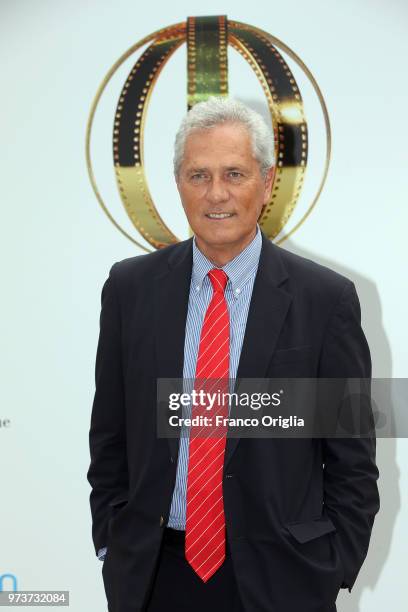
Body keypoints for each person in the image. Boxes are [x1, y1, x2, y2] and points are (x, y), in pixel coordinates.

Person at [87, 96, 380, 612]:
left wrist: (330, 567)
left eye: (234, 173)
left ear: (266, 183)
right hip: (155, 578)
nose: (215, 193)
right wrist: (114, 542)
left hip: (282, 581)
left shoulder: (326, 301)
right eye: (197, 175)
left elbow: (353, 462)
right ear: (177, 182)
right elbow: (110, 435)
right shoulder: (129, 289)